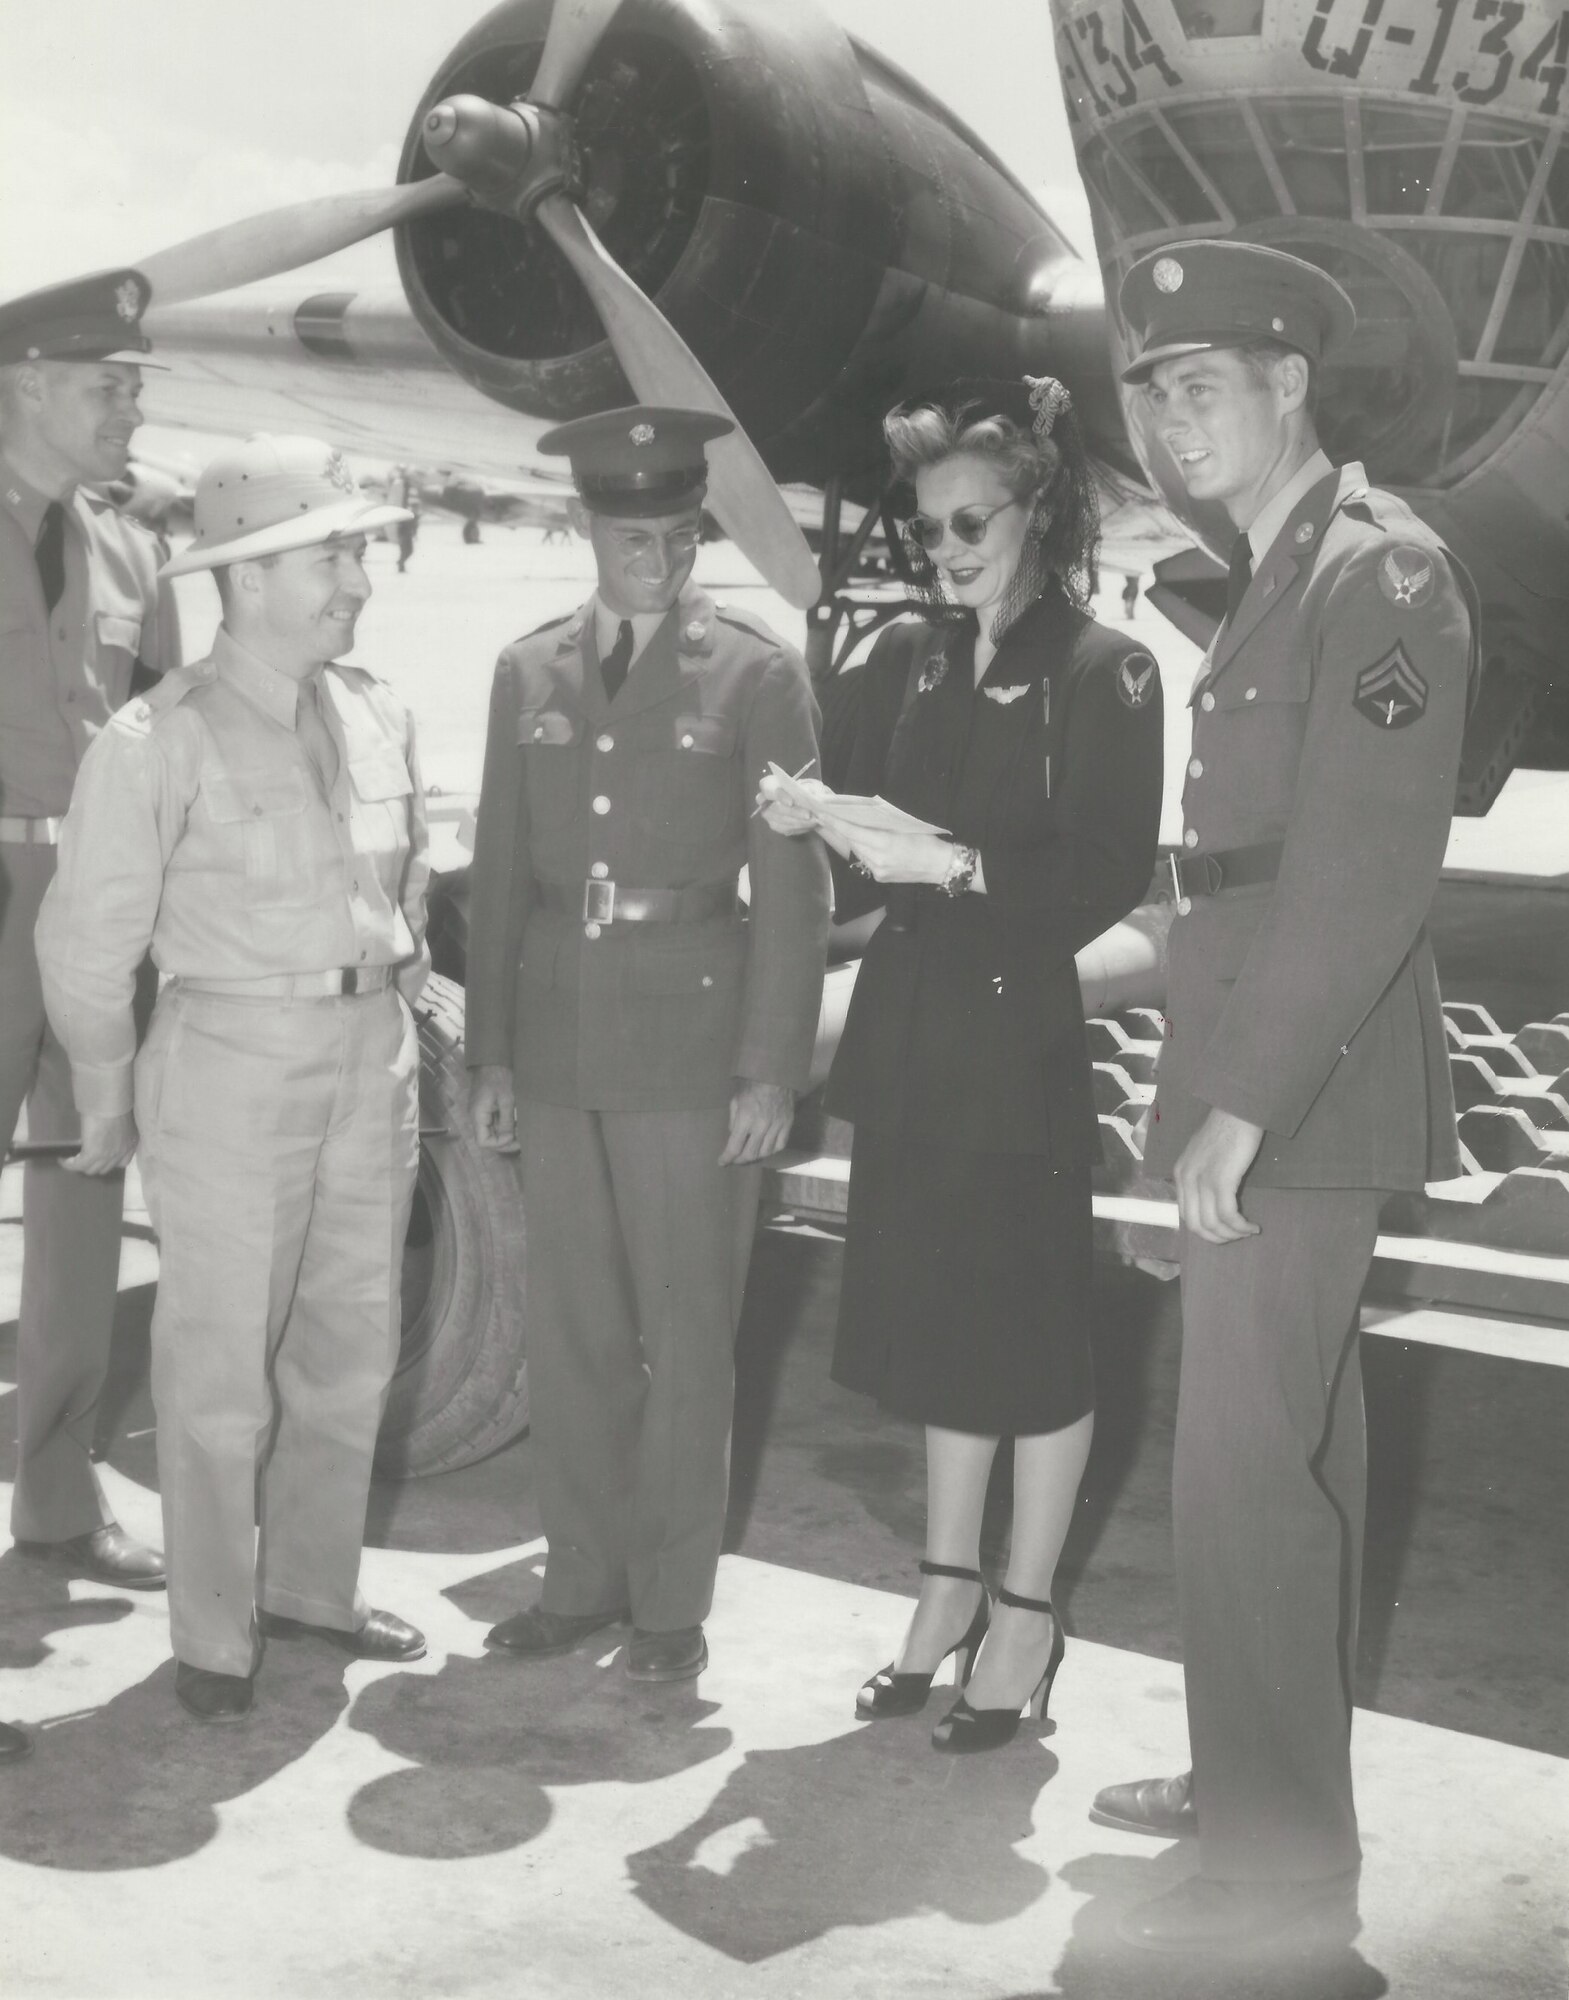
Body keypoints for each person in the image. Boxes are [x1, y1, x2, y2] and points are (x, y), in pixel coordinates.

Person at [1095, 241, 1476, 1954]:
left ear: (1287, 384)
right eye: (1152, 394)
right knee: (1283, 1459)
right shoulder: (1280, 566)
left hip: (1297, 1085)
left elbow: (1358, 872)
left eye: (1202, 386)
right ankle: (1262, 1784)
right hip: (1264, 1061)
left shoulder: (1374, 573)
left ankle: (1265, 1874)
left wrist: (1237, 1105)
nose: (1171, 423)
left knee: (1243, 1473)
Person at [760, 377, 1164, 1752]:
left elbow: (1106, 869)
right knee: (939, 1327)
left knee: (1031, 1338)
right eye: (928, 527)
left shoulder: (1107, 670)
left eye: (970, 522)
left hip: (1015, 1042)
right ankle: (945, 1592)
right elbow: (847, 806)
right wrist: (810, 814)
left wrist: (960, 865)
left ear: (1037, 512)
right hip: (913, 1037)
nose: (945, 548)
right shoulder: (907, 657)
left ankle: (1028, 1614)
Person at [36, 434, 432, 1723]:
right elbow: (87, 942)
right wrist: (107, 1093)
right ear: (249, 577)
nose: (358, 581)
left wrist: (405, 999)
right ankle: (214, 1631)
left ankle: (313, 1587)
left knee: (352, 1347)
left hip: (370, 1052)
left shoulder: (378, 709)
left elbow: (410, 883)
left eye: (358, 554)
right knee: (219, 1369)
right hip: (229, 1062)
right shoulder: (157, 736)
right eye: (333, 557)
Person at [468, 405, 830, 1683]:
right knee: (570, 1329)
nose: (659, 560)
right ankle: (579, 1577)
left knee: (687, 1333)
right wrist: (491, 1052)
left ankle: (670, 1602)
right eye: (634, 538)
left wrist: (770, 1065)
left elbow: (795, 888)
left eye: (678, 537)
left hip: (689, 1043)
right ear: (587, 526)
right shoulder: (528, 669)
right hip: (558, 1039)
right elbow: (499, 872)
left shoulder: (757, 673)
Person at [0, 270, 180, 1614]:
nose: (131, 408)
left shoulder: (134, 553)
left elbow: (160, 736)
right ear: (27, 386)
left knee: (81, 1196)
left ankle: (58, 1498)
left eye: (134, 386)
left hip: (94, 907)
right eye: (107, 385)